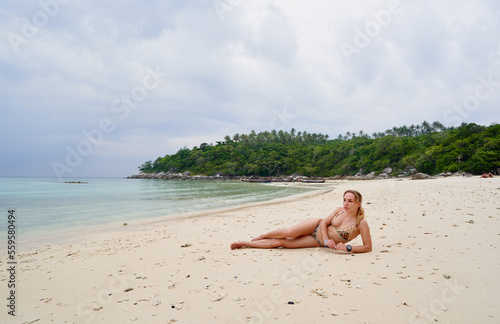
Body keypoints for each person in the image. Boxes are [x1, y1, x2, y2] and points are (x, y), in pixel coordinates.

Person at [230, 190, 372, 253]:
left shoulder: (361, 223)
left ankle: (245, 244)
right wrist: (327, 239)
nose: (346, 203)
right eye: (344, 200)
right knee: (289, 232)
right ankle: (261, 236)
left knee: (281, 243)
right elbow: (323, 223)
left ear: (358, 204)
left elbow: (368, 247)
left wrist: (347, 248)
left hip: (317, 241)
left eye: (350, 201)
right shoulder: (339, 210)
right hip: (315, 225)